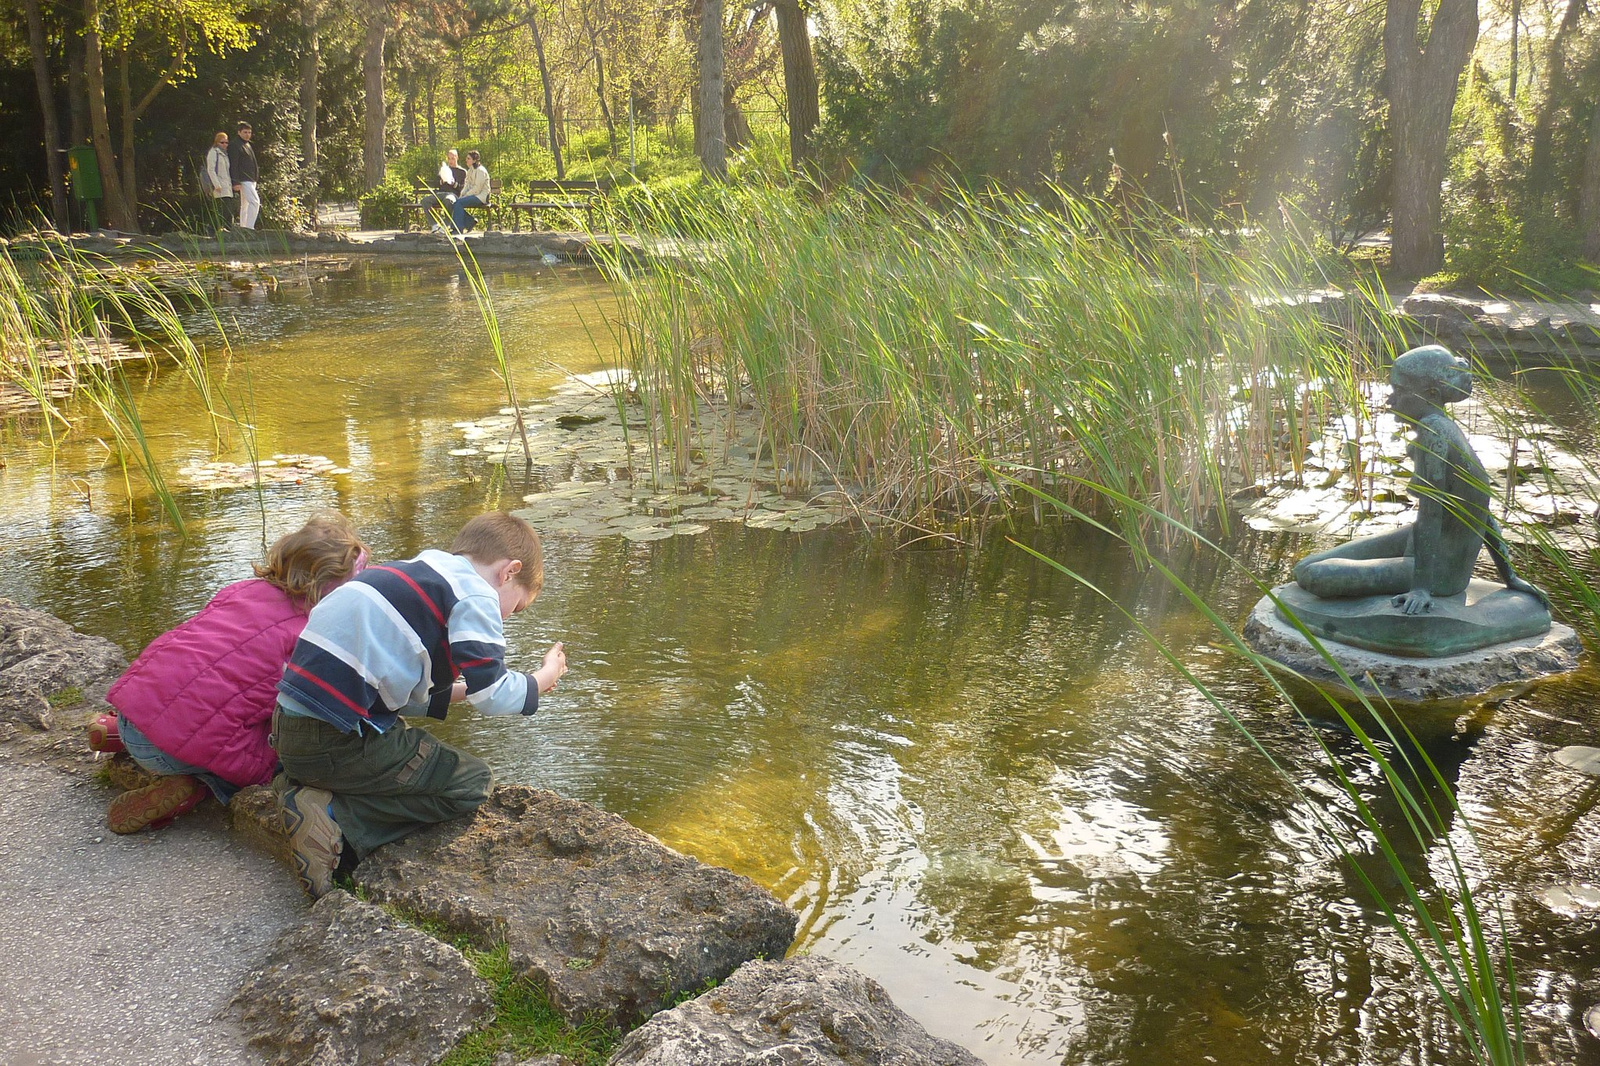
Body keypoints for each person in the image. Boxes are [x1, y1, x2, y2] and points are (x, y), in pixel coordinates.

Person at [270, 511, 567, 898]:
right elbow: (493, 694)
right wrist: (542, 679)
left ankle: (300, 787)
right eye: (518, 607)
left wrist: (464, 690)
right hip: (333, 741)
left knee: (402, 740)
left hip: (290, 734)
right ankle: (336, 819)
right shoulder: (476, 593)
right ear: (509, 571)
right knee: (471, 783)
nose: (508, 617)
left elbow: (397, 693)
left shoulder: (414, 573)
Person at [101, 514, 370, 834]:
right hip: (170, 754)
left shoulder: (240, 590)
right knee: (287, 756)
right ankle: (196, 786)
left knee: (205, 697)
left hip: (132, 714)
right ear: (333, 591)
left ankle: (114, 733)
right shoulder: (312, 635)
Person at [1292, 345, 1548, 614]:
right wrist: (1509, 576)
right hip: (1421, 546)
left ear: (1432, 394)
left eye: (1399, 391)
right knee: (1303, 567)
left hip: (1441, 571)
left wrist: (1421, 587)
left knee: (1314, 576)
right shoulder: (1443, 427)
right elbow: (1482, 512)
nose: (1390, 400)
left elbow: (1432, 515)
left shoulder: (1434, 434)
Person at [418, 148, 465, 232]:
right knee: (425, 201)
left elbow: (463, 188)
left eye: (453, 158)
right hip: (440, 193)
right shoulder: (444, 169)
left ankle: (447, 225)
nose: (450, 161)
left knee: (448, 200)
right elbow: (436, 183)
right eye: (449, 158)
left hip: (452, 194)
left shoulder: (462, 172)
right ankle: (434, 225)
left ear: (457, 158)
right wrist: (441, 181)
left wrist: (454, 184)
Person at [229, 121, 261, 230]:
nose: (248, 134)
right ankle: (249, 227)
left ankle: (243, 227)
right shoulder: (235, 145)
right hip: (243, 179)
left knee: (245, 205)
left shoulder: (247, 144)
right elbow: (234, 164)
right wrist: (236, 181)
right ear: (239, 132)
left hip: (251, 179)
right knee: (255, 202)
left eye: (249, 132)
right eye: (245, 132)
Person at [450, 150, 490, 234]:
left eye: (468, 158)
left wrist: (466, 196)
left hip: (481, 197)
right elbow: (467, 185)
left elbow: (477, 189)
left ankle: (457, 229)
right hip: (473, 195)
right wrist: (462, 195)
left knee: (459, 203)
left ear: (474, 160)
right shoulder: (470, 171)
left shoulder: (481, 171)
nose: (466, 160)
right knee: (456, 203)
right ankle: (470, 222)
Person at [204, 131, 233, 229]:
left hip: (227, 187)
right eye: (222, 142)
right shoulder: (213, 152)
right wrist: (217, 185)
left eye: (226, 142)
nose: (224, 144)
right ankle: (212, 231)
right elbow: (211, 170)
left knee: (228, 212)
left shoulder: (225, 154)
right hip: (218, 187)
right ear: (217, 142)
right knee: (221, 212)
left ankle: (228, 232)